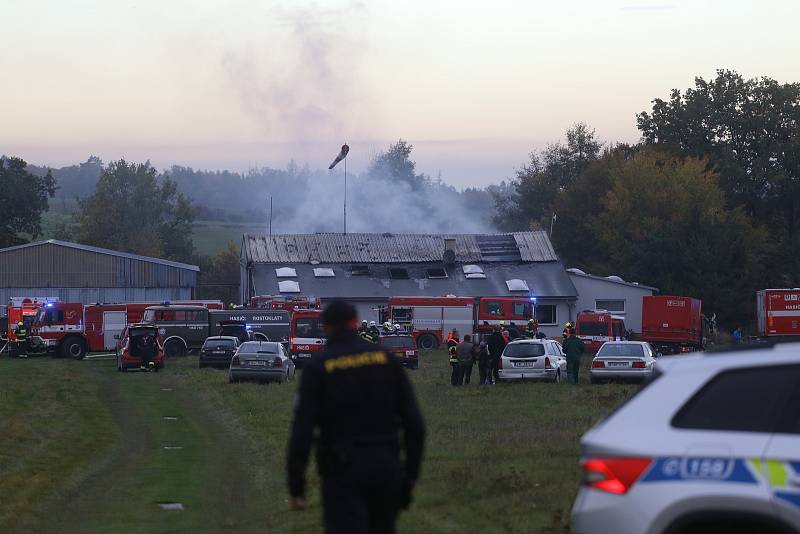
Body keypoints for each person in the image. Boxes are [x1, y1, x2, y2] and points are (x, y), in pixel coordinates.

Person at [287, 300, 426, 534]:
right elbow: (415, 425)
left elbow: (302, 430)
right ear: (356, 323)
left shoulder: (318, 368)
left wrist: (296, 486)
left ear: (326, 327)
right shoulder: (387, 360)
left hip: (342, 472)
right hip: (385, 468)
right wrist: (410, 476)